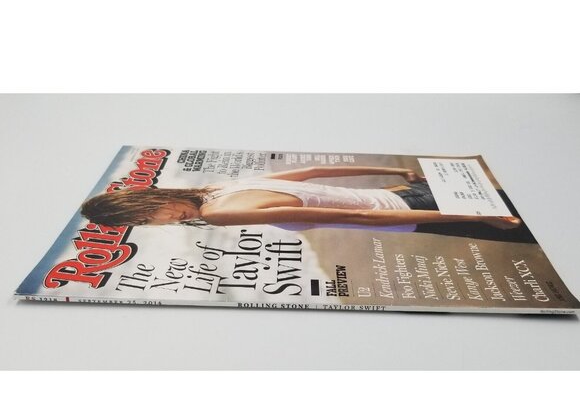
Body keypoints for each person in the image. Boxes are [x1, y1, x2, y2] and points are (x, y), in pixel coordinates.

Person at [80, 165, 521, 231]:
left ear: (147, 204)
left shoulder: (217, 212)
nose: (161, 223)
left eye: (147, 217)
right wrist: (395, 172)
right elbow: (315, 174)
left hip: (423, 210)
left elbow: (358, 218)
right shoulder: (217, 188)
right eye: (145, 226)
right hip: (408, 191)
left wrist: (472, 218)